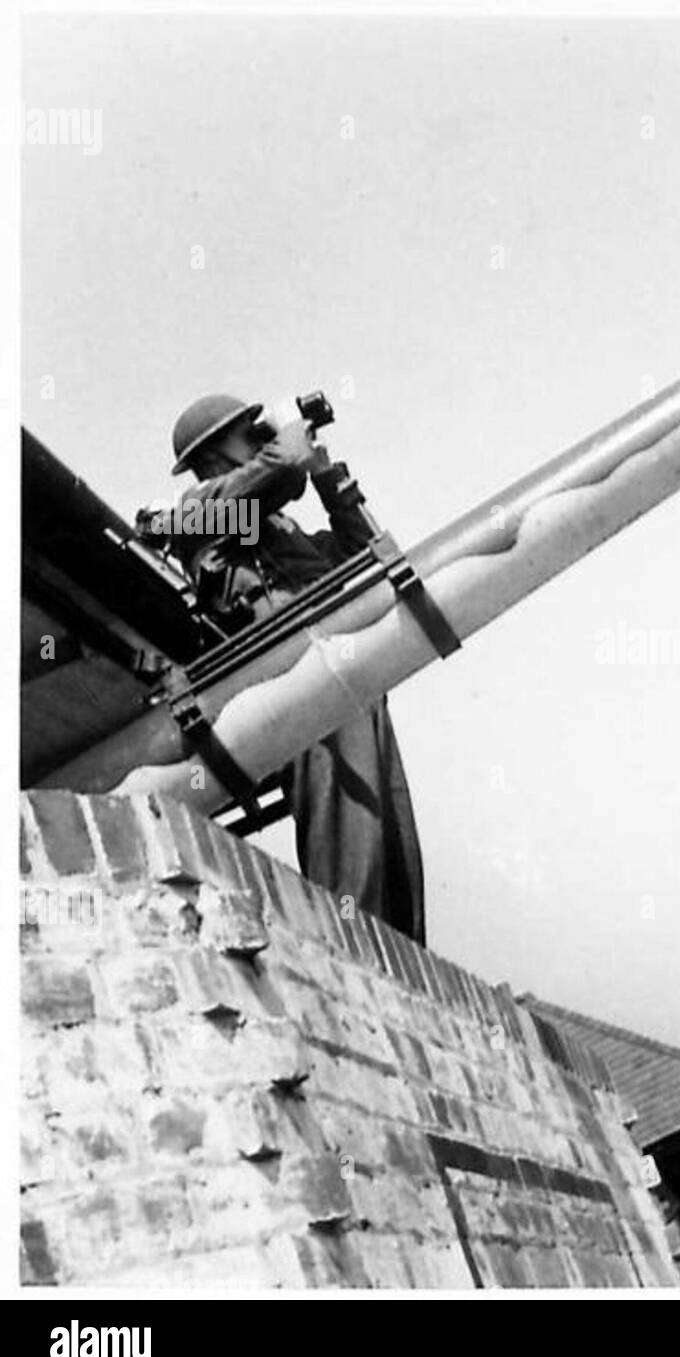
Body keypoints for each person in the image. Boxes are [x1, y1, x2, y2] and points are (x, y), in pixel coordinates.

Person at [162, 393, 427, 945]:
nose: (260, 439)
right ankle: (350, 956)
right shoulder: (198, 514)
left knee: (394, 845)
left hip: (352, 679)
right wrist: (288, 432)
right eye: (247, 434)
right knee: (349, 842)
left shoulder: (279, 529)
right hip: (298, 684)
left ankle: (404, 960)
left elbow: (366, 549)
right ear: (212, 459)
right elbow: (280, 470)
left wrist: (327, 472)